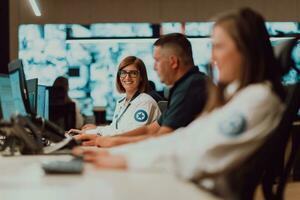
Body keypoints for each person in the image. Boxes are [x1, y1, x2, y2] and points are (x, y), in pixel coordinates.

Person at [74, 7, 286, 187]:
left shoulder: (256, 100)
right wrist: (120, 154)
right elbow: (184, 138)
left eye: (219, 47)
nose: (213, 57)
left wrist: (125, 158)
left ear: (245, 50)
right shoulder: (238, 97)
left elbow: (198, 154)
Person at [74, 33, 208, 147]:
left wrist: (108, 141)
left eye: (157, 61)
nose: (155, 68)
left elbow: (162, 138)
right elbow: (150, 130)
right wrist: (105, 138)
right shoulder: (185, 86)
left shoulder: (191, 87)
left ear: (173, 62)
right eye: (123, 73)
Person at [69, 56, 161, 142]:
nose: (127, 77)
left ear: (141, 77)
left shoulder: (145, 102)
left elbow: (129, 135)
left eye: (133, 73)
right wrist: (87, 132)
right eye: (123, 72)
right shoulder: (122, 101)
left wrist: (89, 136)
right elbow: (114, 129)